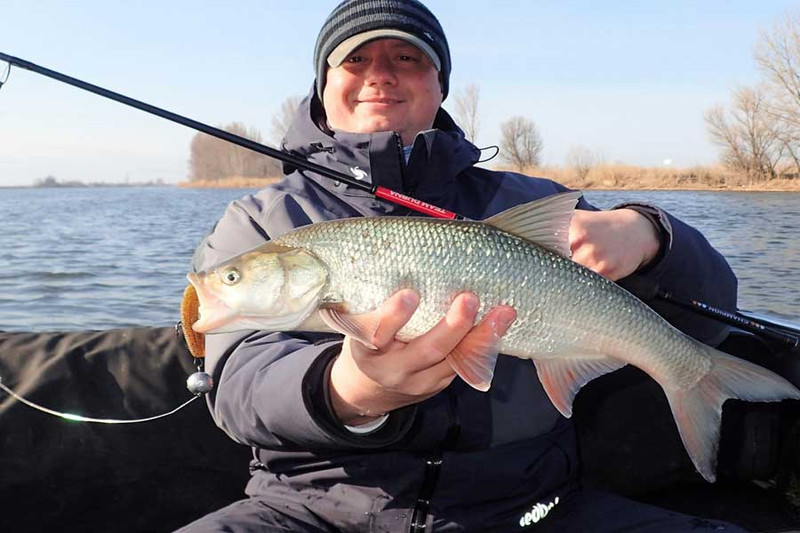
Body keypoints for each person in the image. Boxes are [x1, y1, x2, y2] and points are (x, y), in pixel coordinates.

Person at [179, 1, 745, 531]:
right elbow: (237, 386)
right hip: (311, 507)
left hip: (532, 506)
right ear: (323, 86)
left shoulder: (531, 200)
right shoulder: (260, 220)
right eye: (354, 59)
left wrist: (650, 232)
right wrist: (351, 389)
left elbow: (713, 309)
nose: (380, 74)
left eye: (407, 58)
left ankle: (694, 378)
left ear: (440, 86)